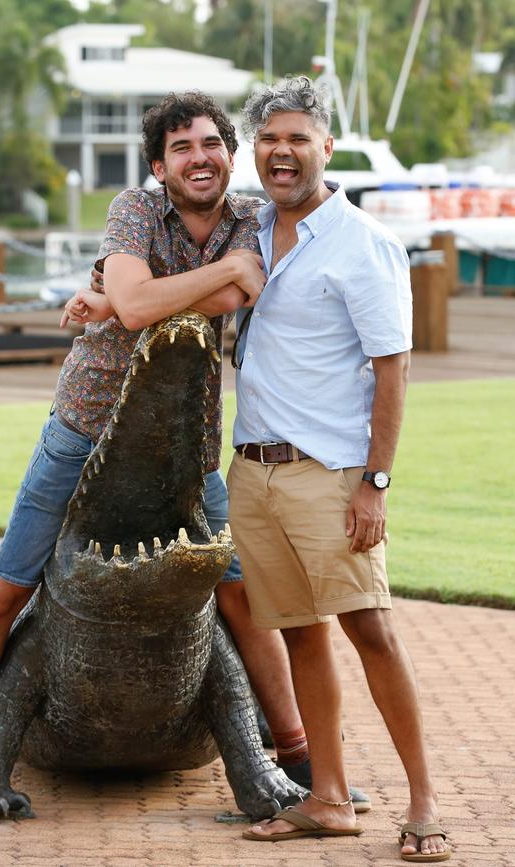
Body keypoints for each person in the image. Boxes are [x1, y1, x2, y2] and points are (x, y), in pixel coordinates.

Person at [0, 91, 344, 817]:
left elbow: (160, 298)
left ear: (229, 152)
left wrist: (140, 293)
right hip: (82, 427)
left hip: (191, 447)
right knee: (5, 590)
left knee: (246, 598)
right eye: (181, 148)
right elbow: (143, 304)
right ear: (160, 165)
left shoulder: (252, 217)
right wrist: (200, 282)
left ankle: (298, 758)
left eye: (211, 143)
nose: (199, 157)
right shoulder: (134, 210)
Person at [226, 77, 449, 862]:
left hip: (331, 475)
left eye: (297, 139)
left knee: (371, 629)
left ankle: (423, 800)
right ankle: (327, 796)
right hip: (252, 469)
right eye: (268, 139)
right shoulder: (251, 229)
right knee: (299, 633)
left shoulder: (364, 242)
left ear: (326, 146)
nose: (281, 153)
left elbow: (394, 369)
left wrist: (375, 483)